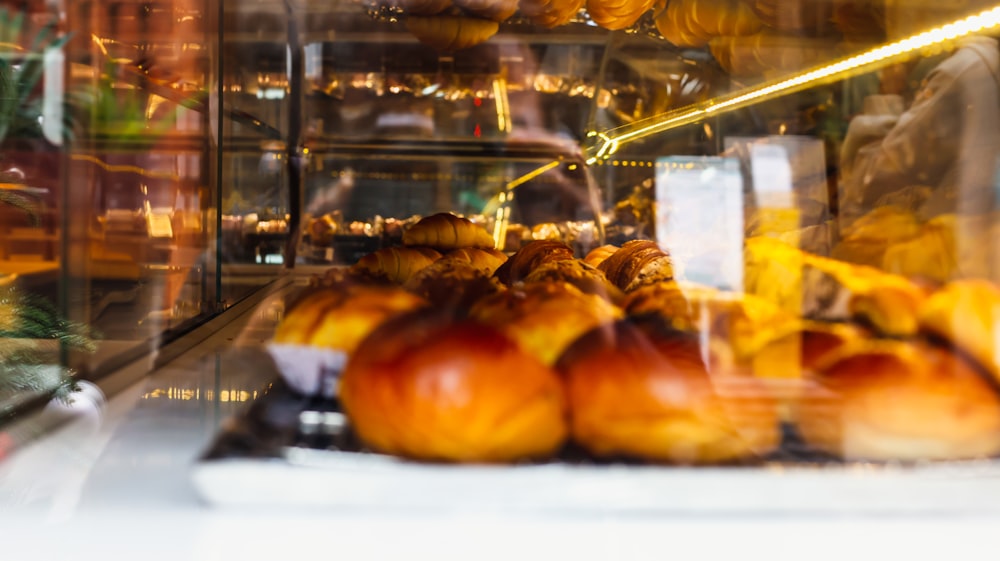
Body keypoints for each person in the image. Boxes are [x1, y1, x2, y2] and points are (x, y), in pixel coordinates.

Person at [837, 0, 1000, 279]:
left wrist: (857, 147)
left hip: (953, 259)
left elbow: (884, 172)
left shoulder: (964, 67)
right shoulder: (979, 59)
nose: (887, 13)